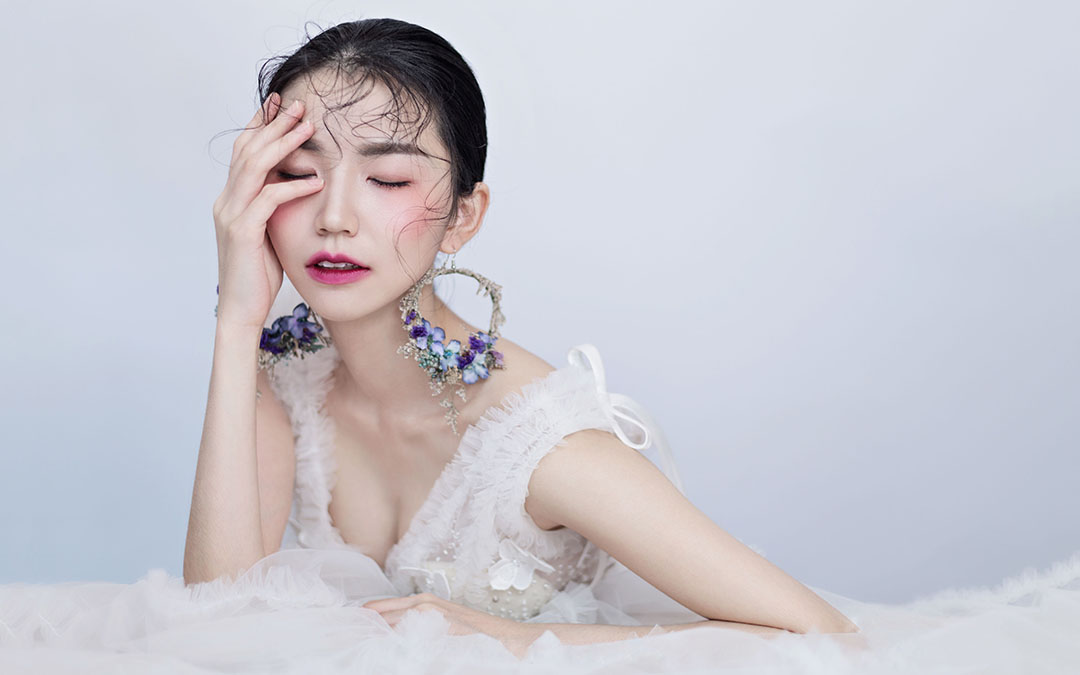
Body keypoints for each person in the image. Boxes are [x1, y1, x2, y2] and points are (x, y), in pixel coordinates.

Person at [2, 17, 1078, 674]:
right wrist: (237, 314)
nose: (333, 216)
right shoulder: (285, 372)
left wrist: (508, 642)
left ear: (464, 217)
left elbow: (822, 639)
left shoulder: (540, 443)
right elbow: (211, 627)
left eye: (387, 178)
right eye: (296, 174)